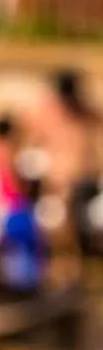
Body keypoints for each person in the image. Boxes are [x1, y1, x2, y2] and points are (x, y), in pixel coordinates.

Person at [23, 69, 102, 256]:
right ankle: (67, 265)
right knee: (62, 225)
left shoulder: (88, 113)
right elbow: (28, 144)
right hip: (59, 184)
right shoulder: (45, 115)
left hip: (87, 180)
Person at [0, 115, 47, 295]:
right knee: (27, 252)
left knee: (10, 255)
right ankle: (26, 289)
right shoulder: (8, 152)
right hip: (15, 209)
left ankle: (14, 288)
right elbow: (16, 184)